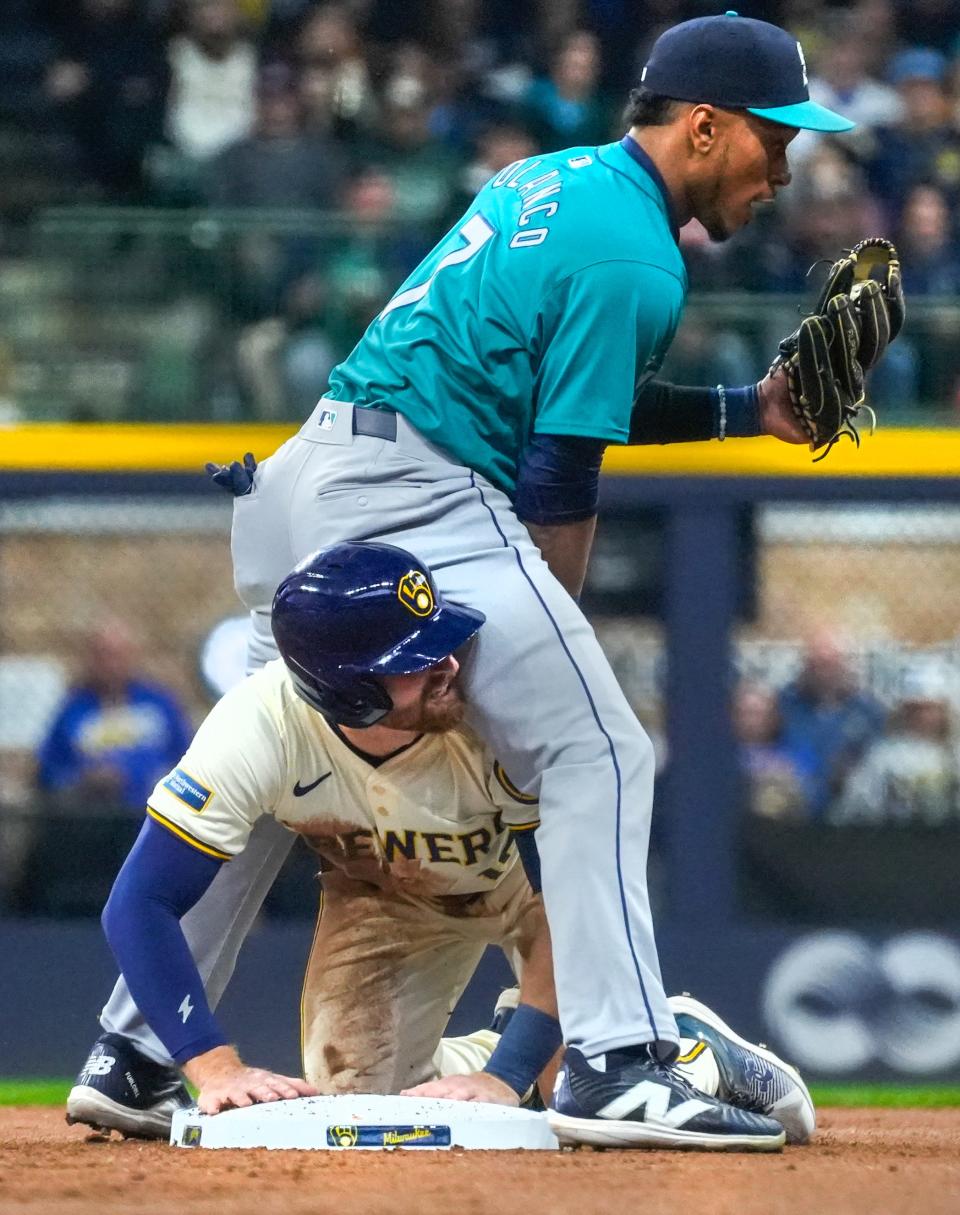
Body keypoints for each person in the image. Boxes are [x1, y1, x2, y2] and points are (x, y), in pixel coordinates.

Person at [109, 13, 876, 1152]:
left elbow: (575, 395)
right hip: (415, 497)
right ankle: (615, 1058)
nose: (787, 166)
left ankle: (138, 1050)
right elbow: (559, 468)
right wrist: (554, 642)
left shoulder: (553, 181)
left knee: (268, 754)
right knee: (601, 748)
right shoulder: (635, 254)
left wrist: (749, 413)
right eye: (776, 137)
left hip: (306, 481)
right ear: (706, 128)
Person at [66, 543, 813, 1148]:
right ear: (347, 691)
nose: (450, 660)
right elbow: (139, 902)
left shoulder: (497, 708)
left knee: (568, 1086)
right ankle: (515, 1047)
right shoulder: (260, 723)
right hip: (392, 896)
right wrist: (211, 1063)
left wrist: (509, 1071)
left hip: (526, 894)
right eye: (413, 659)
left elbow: (566, 903)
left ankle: (675, 1038)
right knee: (356, 1107)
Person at [36, 619, 193, 815]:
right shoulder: (73, 709)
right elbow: (50, 771)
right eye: (103, 655)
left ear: (132, 656)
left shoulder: (160, 704)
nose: (111, 665)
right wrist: (82, 781)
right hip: (90, 820)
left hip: (149, 816)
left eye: (118, 655)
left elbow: (186, 761)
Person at [830, 660, 960, 826]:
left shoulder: (954, 755)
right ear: (904, 711)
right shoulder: (884, 756)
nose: (924, 716)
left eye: (931, 708)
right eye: (916, 709)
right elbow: (853, 809)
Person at [776, 627, 886, 820]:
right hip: (792, 817)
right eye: (816, 664)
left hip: (852, 821)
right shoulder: (783, 706)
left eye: (831, 664)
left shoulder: (869, 712)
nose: (824, 672)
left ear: (846, 665)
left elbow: (880, 763)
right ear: (805, 665)